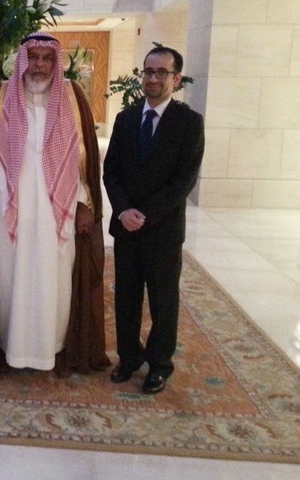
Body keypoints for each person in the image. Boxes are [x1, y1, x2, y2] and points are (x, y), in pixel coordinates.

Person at [0, 32, 110, 381]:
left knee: (55, 281)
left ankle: (50, 347)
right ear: (22, 61)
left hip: (59, 214)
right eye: (34, 57)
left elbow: (81, 159)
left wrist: (85, 203)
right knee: (8, 281)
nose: (39, 65)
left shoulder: (71, 97)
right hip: (11, 211)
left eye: (47, 58)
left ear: (56, 63)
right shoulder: (1, 96)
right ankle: (9, 345)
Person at [103, 45, 204, 394]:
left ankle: (160, 364)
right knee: (126, 297)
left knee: (163, 300)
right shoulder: (126, 119)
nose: (153, 79)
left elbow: (184, 181)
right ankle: (129, 357)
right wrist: (123, 210)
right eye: (148, 71)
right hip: (126, 228)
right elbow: (110, 171)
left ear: (176, 78)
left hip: (163, 229)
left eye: (162, 72)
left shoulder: (189, 123)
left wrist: (144, 214)